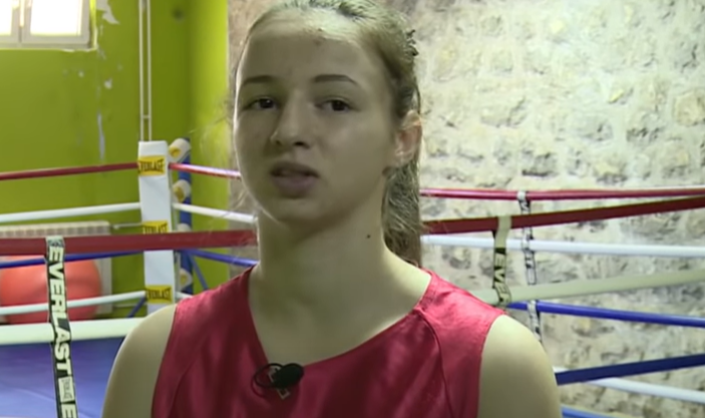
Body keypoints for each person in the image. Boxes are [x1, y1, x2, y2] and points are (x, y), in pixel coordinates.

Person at [101, 1, 562, 417]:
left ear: (403, 140)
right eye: (263, 102)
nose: (289, 131)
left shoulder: (494, 368)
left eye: (336, 104)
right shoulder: (155, 359)